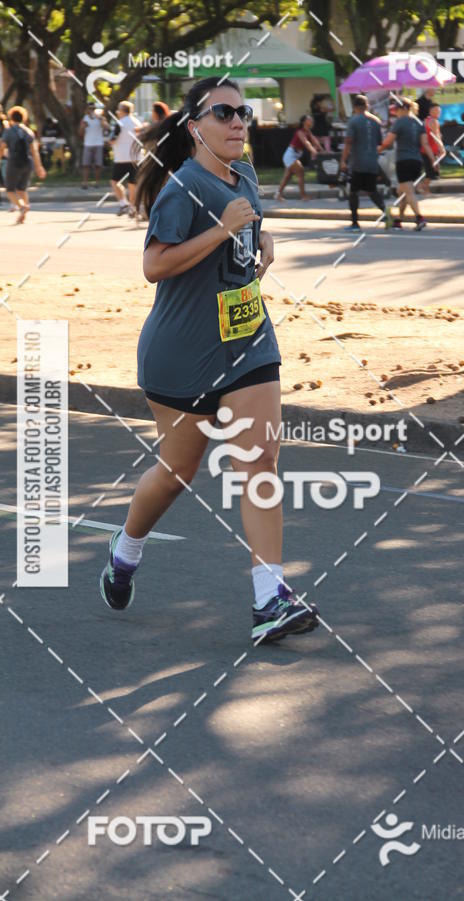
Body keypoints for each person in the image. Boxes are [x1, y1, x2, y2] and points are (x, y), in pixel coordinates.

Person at [99, 76, 319, 645]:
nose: (238, 121)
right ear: (195, 127)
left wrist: (259, 245)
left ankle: (269, 598)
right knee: (176, 474)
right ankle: (126, 550)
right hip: (183, 354)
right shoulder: (182, 187)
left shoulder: (245, 175)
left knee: (260, 460)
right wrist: (222, 231)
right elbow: (154, 265)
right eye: (224, 113)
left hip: (247, 344)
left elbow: (243, 238)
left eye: (243, 112)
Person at [378, 99, 434, 231]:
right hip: (417, 161)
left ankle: (419, 218)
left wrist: (378, 150)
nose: (396, 112)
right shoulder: (419, 123)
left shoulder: (400, 122)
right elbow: (425, 144)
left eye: (397, 110)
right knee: (401, 191)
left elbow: (388, 142)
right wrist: (432, 160)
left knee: (408, 192)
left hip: (403, 161)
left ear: (403, 109)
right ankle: (399, 221)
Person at [340, 94, 386, 230]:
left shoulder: (353, 121)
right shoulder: (376, 121)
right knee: (371, 190)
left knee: (353, 192)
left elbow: (348, 142)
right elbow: (380, 142)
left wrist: (343, 161)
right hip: (372, 162)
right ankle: (386, 213)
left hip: (358, 163)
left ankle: (355, 223)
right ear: (367, 106)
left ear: (355, 107)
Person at [0, 106, 46, 223]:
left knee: (10, 190)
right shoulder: (29, 132)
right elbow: (34, 151)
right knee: (22, 189)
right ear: (24, 117)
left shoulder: (9, 132)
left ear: (11, 117)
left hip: (14, 162)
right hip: (27, 162)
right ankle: (25, 208)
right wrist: (39, 167)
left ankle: (22, 207)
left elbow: (2, 147)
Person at [275, 115, 322, 201]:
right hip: (290, 155)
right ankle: (303, 196)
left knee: (287, 176)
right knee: (301, 172)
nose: (312, 121)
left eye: (312, 120)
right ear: (304, 122)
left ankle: (278, 194)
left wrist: (322, 151)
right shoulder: (300, 132)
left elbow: (315, 141)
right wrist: (313, 151)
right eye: (309, 120)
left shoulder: (308, 132)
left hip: (293, 155)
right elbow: (306, 143)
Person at [110, 100, 142, 216]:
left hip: (122, 158)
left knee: (114, 181)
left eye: (119, 110)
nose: (117, 112)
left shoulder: (120, 123)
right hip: (136, 157)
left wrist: (110, 141)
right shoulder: (137, 122)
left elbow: (112, 140)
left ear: (122, 111)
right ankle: (133, 208)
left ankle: (123, 203)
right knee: (133, 184)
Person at [80, 102, 107, 188]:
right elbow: (80, 133)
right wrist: (82, 127)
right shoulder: (84, 119)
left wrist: (101, 119)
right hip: (88, 144)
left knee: (98, 165)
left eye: (93, 108)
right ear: (87, 110)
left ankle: (97, 182)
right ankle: (85, 183)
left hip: (98, 144)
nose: (91, 110)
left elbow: (107, 127)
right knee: (86, 165)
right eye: (90, 108)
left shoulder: (100, 118)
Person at [420, 102, 444, 195]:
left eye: (439, 111)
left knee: (430, 171)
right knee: (430, 172)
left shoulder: (426, 120)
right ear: (430, 111)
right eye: (436, 111)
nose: (438, 113)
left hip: (425, 150)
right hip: (430, 150)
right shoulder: (434, 121)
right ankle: (423, 188)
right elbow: (436, 136)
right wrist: (441, 148)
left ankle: (425, 189)